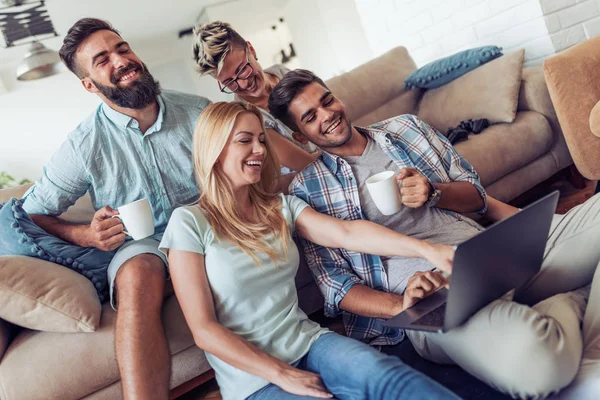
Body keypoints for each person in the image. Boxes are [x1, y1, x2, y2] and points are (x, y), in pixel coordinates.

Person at [268, 69, 600, 399]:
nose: (328, 115)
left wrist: (434, 192)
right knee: (541, 367)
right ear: (300, 136)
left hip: (494, 251)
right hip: (435, 294)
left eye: (327, 101)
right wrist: (405, 305)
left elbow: (476, 196)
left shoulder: (406, 128)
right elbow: (337, 288)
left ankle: (554, 301)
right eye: (311, 117)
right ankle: (573, 298)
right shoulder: (308, 190)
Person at [158, 101, 461, 400]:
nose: (260, 149)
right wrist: (281, 373)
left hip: (310, 342)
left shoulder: (279, 207)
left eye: (262, 139)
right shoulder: (189, 222)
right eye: (245, 140)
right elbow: (204, 329)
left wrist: (428, 250)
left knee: (390, 377)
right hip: (253, 380)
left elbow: (347, 233)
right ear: (215, 149)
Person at [21, 18, 210, 399]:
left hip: (209, 223)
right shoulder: (83, 145)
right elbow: (31, 214)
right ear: (89, 85)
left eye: (122, 48)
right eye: (102, 59)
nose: (121, 60)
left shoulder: (199, 112)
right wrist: (85, 235)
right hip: (146, 244)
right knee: (136, 275)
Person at [192, 21, 319, 190]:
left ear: (251, 49)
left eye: (242, 69)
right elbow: (309, 166)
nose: (244, 84)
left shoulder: (282, 72)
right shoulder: (248, 118)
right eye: (229, 82)